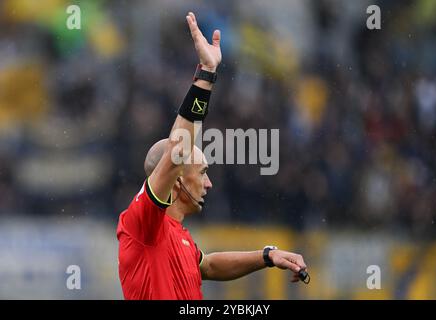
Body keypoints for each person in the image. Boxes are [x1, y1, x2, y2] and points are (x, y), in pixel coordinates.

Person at [116, 12, 308, 300]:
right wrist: (206, 73)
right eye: (203, 172)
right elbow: (178, 149)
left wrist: (267, 256)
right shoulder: (142, 223)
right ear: (177, 179)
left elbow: (208, 265)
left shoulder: (177, 236)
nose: (209, 184)